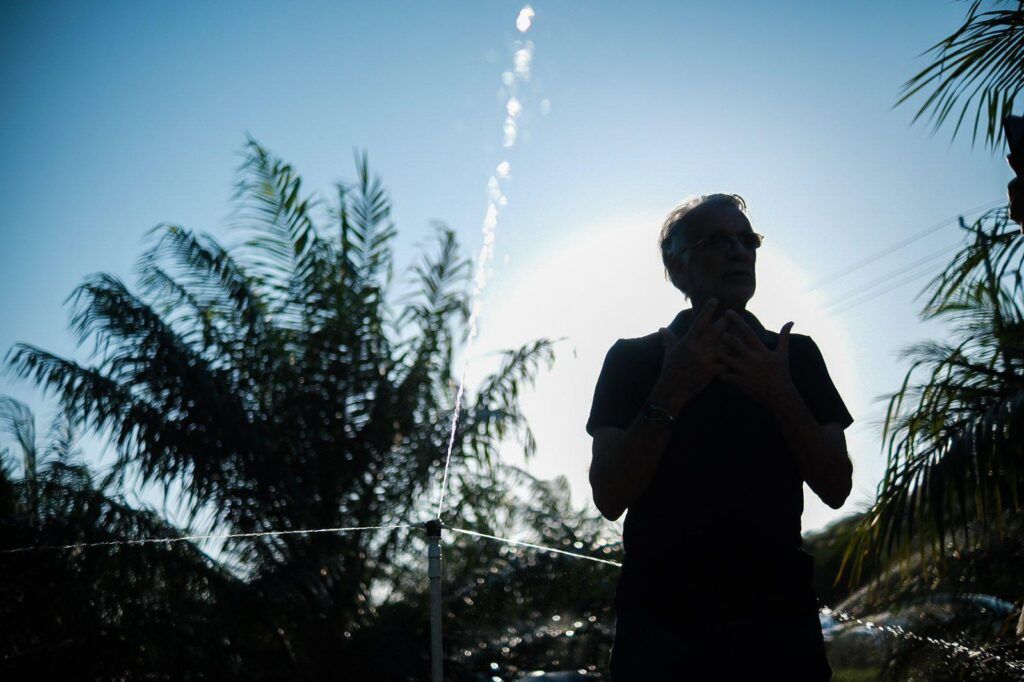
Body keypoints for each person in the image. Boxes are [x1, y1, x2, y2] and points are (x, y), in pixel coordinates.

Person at [586, 193, 854, 679]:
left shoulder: (797, 356)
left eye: (747, 240)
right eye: (717, 241)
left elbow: (837, 487)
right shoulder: (633, 359)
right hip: (661, 629)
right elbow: (608, 494)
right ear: (678, 268)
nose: (739, 252)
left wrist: (779, 393)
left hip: (777, 626)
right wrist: (671, 390)